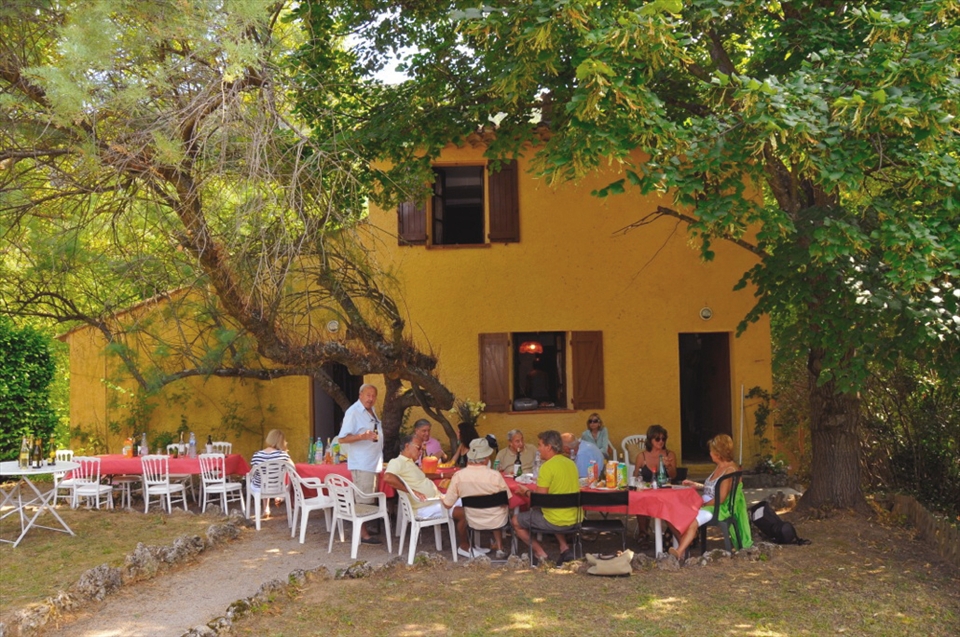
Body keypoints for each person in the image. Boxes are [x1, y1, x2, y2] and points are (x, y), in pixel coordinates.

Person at [511, 430, 581, 565]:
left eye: (540, 445)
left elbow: (539, 499)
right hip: (574, 518)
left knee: (516, 521)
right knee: (549, 510)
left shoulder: (547, 467)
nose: (538, 449)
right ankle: (564, 548)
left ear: (549, 447)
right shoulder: (571, 463)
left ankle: (540, 553)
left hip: (555, 520)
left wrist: (525, 492)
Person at [669, 434, 741, 561]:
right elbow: (715, 488)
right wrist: (696, 485)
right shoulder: (720, 466)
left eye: (711, 450)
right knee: (676, 510)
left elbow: (722, 498)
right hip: (708, 503)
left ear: (718, 452)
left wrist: (701, 505)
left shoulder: (729, 470)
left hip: (716, 508)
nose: (710, 453)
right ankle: (686, 544)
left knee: (692, 520)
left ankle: (680, 551)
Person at [441, 437, 511, 559]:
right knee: (498, 508)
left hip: (472, 520)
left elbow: (447, 504)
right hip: (496, 520)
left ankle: (467, 545)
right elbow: (507, 500)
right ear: (486, 458)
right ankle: (500, 548)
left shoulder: (459, 476)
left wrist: (440, 497)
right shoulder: (495, 475)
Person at [337, 383, 383, 544]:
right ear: (360, 395)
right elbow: (342, 438)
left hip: (372, 462)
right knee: (363, 500)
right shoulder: (354, 412)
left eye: (373, 396)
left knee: (368, 499)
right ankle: (362, 534)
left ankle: (363, 529)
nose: (371, 399)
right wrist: (361, 437)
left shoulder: (371, 411)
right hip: (362, 463)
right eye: (368, 395)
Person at [632, 424, 677, 547]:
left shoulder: (669, 454)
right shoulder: (642, 456)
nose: (661, 442)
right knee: (640, 499)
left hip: (664, 491)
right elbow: (635, 476)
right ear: (650, 440)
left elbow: (673, 476)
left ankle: (674, 533)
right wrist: (640, 480)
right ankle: (643, 533)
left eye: (663, 439)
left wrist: (668, 466)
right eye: (657, 439)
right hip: (647, 492)